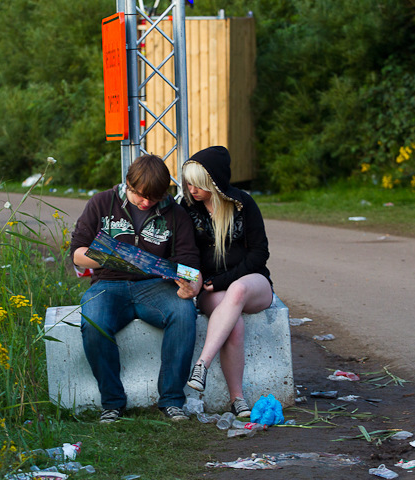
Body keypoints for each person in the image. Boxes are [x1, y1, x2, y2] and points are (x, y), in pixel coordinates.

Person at [70, 154, 202, 423]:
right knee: (93, 321)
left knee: (184, 312)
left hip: (156, 286)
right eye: (141, 196)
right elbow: (77, 254)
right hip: (108, 283)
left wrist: (192, 286)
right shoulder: (101, 202)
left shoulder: (175, 214)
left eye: (153, 199)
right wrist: (112, 256)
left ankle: (172, 400)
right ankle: (112, 403)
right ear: (127, 184)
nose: (146, 203)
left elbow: (190, 265)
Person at [180, 146, 273, 418]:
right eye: (188, 183)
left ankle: (202, 365)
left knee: (238, 288)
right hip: (209, 288)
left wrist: (222, 280)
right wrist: (196, 282)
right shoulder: (186, 209)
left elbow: (260, 253)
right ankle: (238, 399)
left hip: (251, 284)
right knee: (234, 326)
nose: (191, 189)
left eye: (198, 184)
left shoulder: (243, 204)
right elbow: (185, 252)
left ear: (215, 182)